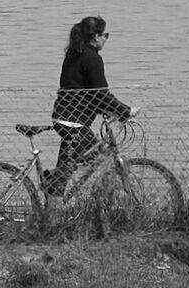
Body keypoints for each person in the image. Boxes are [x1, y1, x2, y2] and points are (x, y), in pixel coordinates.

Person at [43, 15, 137, 197]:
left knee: (68, 166)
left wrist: (107, 110)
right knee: (99, 155)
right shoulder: (92, 58)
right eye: (105, 34)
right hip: (73, 121)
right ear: (96, 36)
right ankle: (52, 181)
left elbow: (85, 91)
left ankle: (50, 210)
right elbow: (101, 93)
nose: (106, 39)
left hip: (63, 116)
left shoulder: (74, 54)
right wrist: (125, 111)